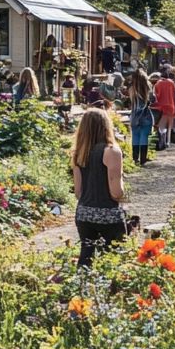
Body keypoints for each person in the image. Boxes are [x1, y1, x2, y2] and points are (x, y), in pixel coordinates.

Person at [72, 108, 127, 268]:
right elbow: (116, 192)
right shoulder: (111, 151)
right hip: (108, 213)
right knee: (116, 259)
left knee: (86, 256)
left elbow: (78, 192)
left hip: (84, 213)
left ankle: (81, 289)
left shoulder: (78, 153)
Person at [127, 70, 155, 166]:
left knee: (135, 136)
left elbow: (130, 101)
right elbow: (153, 99)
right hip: (146, 114)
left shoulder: (132, 89)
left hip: (135, 115)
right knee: (144, 136)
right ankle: (143, 159)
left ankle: (135, 158)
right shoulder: (147, 87)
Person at [153, 68, 175, 151]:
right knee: (169, 125)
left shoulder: (158, 84)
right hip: (171, 106)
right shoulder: (172, 83)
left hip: (161, 107)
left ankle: (162, 141)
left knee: (161, 125)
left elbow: (156, 96)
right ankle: (168, 141)